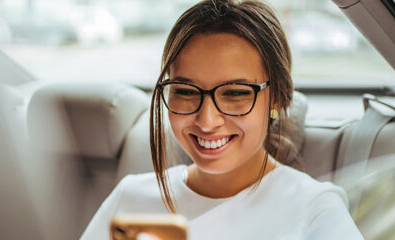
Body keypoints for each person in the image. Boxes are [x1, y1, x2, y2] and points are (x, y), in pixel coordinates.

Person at [81, 0, 362, 239]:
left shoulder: (314, 210)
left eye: (235, 93)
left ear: (276, 96)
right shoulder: (130, 198)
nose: (207, 120)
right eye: (186, 91)